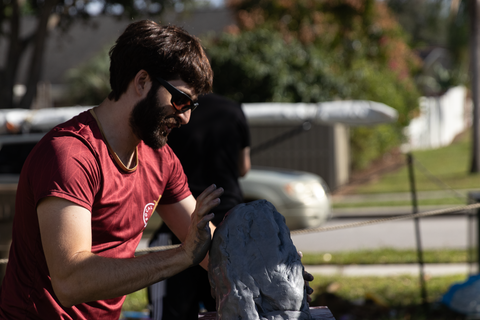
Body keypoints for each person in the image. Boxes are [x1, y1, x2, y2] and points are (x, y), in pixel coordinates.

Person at [0, 20, 224, 319]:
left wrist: (271, 265)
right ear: (142, 81)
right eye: (180, 100)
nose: (184, 118)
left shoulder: (161, 159)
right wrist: (182, 256)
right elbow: (71, 281)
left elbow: (207, 245)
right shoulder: (69, 155)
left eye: (191, 106)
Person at [148, 93, 251, 319]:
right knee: (234, 309)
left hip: (186, 229)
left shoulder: (171, 115)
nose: (184, 116)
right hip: (219, 223)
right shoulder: (232, 110)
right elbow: (244, 167)